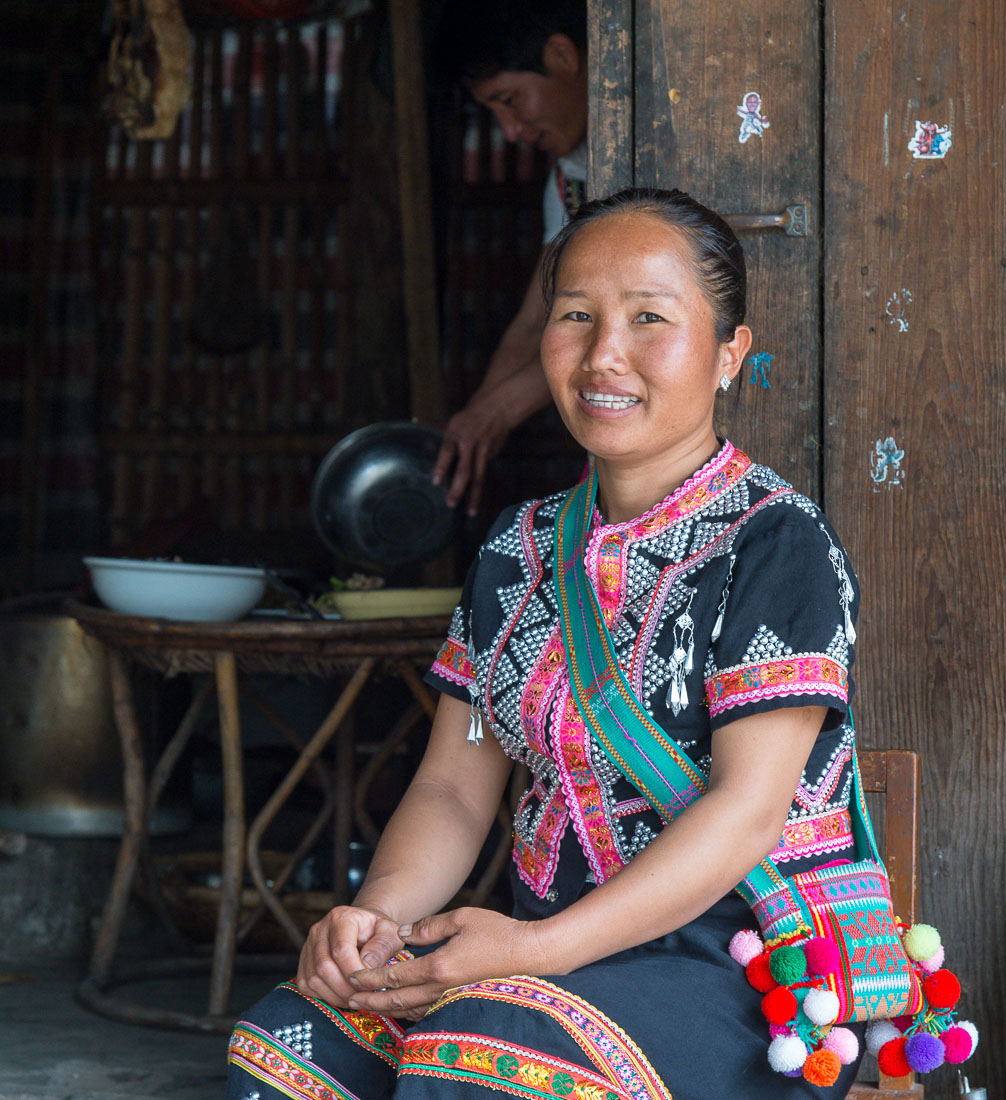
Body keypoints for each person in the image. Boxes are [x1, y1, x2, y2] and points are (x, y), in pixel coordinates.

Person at [226, 188, 864, 1099]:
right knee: (289, 1048)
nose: (605, 354)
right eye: (576, 316)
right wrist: (374, 921)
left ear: (731, 354)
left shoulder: (776, 544)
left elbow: (748, 813)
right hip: (543, 971)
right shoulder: (514, 550)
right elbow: (452, 786)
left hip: (745, 974)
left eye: (650, 317)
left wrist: (533, 950)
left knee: (475, 1054)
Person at [431, 0, 588, 517]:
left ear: (563, 56)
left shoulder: (658, 152)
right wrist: (474, 425)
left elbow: (609, 330)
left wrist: (498, 411)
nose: (511, 131)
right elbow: (534, 322)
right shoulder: (568, 181)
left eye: (510, 100)